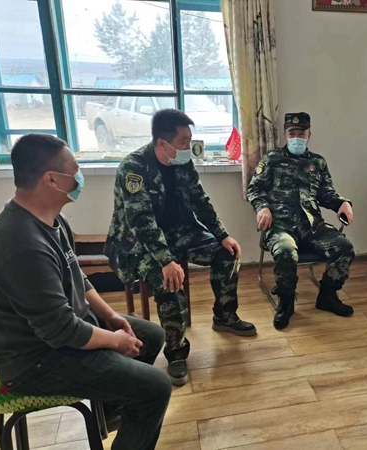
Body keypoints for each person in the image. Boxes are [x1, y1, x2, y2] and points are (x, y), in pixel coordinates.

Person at [0, 134, 171, 450]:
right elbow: (62, 331)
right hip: (33, 360)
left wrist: (109, 316)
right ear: (51, 180)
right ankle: (126, 410)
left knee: (150, 336)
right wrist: (115, 341)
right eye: (75, 170)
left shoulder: (52, 219)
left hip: (59, 333)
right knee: (156, 388)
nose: (79, 177)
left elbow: (76, 275)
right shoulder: (20, 244)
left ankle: (110, 411)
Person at [106, 109, 256, 386]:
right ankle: (176, 351)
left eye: (190, 139)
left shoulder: (182, 162)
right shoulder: (134, 167)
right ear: (162, 143)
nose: (189, 146)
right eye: (184, 141)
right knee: (170, 282)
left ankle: (224, 315)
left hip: (180, 232)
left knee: (228, 254)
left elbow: (200, 200)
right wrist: (166, 260)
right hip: (139, 243)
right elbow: (141, 220)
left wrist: (222, 235)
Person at [247, 112, 355, 330]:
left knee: (344, 248)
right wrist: (263, 207)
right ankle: (286, 302)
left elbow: (326, 193)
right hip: (281, 226)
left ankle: (328, 295)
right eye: (292, 133)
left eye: (301, 133)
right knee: (286, 252)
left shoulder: (318, 162)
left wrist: (342, 203)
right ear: (286, 135)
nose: (297, 137)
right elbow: (255, 189)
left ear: (309, 135)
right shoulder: (271, 160)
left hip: (312, 226)